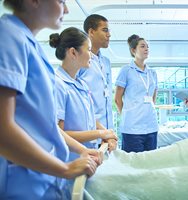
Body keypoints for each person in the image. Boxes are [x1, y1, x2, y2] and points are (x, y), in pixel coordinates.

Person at [0, 1, 101, 199]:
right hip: (24, 185)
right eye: (61, 1)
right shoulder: (8, 37)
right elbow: (2, 131)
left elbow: (46, 126)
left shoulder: (30, 44)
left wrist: (82, 151)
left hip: (45, 180)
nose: (66, 9)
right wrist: (64, 169)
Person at [49, 27, 118, 158]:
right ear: (73, 53)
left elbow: (92, 118)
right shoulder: (57, 84)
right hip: (69, 161)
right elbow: (58, 133)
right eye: (89, 50)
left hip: (87, 158)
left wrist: (107, 134)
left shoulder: (82, 84)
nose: (91, 55)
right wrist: (100, 134)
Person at [114, 34, 159, 153]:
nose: (146, 49)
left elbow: (153, 96)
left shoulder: (152, 73)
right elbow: (117, 99)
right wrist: (127, 115)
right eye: (143, 46)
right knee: (133, 165)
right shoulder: (126, 70)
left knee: (150, 162)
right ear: (133, 50)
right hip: (132, 127)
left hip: (151, 126)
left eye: (148, 47)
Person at [78, 14, 114, 131]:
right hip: (90, 129)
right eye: (105, 30)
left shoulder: (106, 62)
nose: (109, 34)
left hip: (107, 129)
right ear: (91, 32)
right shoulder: (80, 60)